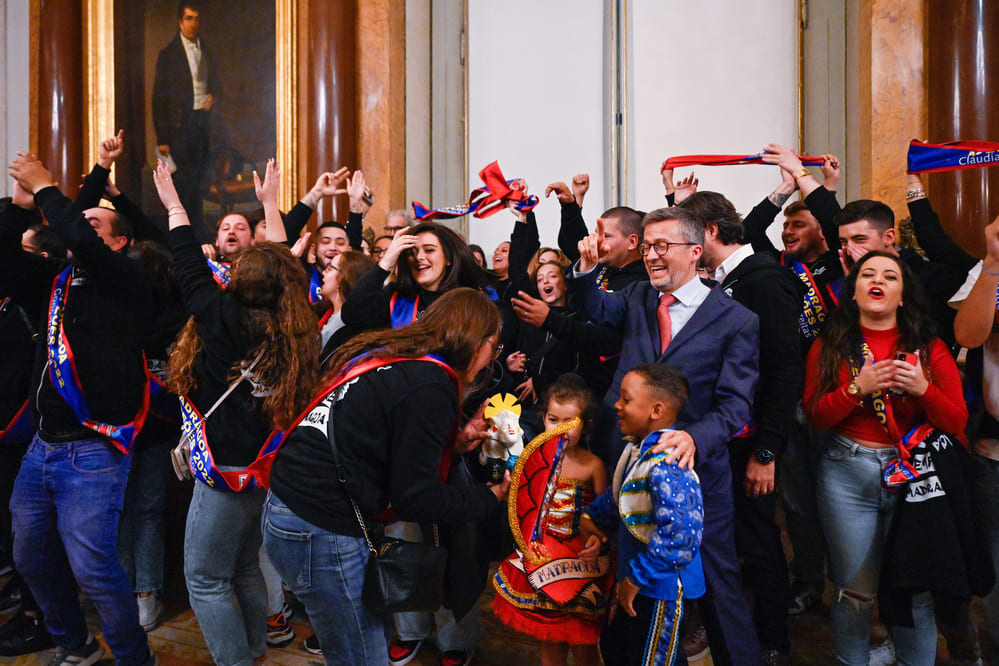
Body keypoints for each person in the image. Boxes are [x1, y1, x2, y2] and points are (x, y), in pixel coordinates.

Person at [262, 288, 511, 665]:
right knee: (361, 655)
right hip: (316, 523)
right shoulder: (433, 384)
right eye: (495, 344)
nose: (495, 355)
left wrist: (454, 443)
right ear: (477, 341)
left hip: (290, 509)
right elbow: (416, 499)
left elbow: (381, 443)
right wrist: (490, 498)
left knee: (364, 641)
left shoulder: (402, 358)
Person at [568, 206, 762, 665]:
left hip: (695, 476)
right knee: (631, 581)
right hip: (629, 466)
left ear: (695, 253)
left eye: (662, 247)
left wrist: (695, 437)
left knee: (720, 587)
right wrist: (586, 269)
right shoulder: (636, 297)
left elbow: (736, 403)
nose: (651, 256)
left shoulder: (737, 320)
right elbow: (592, 306)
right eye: (648, 246)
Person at [152, 159, 319, 666]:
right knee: (245, 565)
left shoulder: (221, 317)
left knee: (203, 578)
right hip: (263, 466)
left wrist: (176, 205)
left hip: (223, 469)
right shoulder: (294, 325)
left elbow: (185, 259)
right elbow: (285, 262)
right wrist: (269, 203)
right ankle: (251, 651)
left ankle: (234, 661)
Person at [5, 148, 155, 665]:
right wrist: (23, 209)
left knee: (94, 571)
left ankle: (136, 657)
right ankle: (76, 645)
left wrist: (50, 187)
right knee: (28, 555)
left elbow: (80, 241)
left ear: (119, 241)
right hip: (43, 447)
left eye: (95, 222)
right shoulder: (53, 283)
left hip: (93, 450)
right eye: (81, 219)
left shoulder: (128, 282)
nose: (82, 226)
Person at [804, 251, 967, 664]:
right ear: (854, 292)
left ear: (902, 295)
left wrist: (923, 389)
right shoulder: (830, 344)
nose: (878, 281)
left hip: (915, 478)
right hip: (846, 474)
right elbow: (816, 416)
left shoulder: (928, 348)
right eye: (868, 275)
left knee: (916, 592)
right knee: (854, 591)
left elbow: (956, 420)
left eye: (890, 276)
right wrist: (857, 389)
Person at [680, 191, 803, 663]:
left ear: (709, 232)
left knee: (758, 543)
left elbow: (783, 371)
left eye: (690, 236)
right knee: (729, 542)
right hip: (726, 440)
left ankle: (772, 643)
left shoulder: (764, 281)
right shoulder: (731, 279)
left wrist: (767, 451)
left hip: (753, 443)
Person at [580, 364, 705, 666]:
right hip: (637, 578)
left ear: (656, 410)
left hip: (659, 587)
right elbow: (622, 496)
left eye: (626, 399)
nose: (617, 405)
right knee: (618, 650)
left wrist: (637, 577)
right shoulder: (639, 451)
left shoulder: (667, 463)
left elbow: (681, 535)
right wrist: (589, 519)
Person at [492, 373, 609, 666]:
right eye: (553, 419)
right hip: (541, 562)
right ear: (543, 418)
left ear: (588, 424)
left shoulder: (593, 465)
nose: (560, 428)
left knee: (585, 644)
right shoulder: (530, 461)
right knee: (551, 642)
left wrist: (598, 538)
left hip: (580, 564)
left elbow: (603, 515)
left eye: (570, 422)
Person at [341, 222, 495, 330]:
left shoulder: (467, 300)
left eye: (429, 250)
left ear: (448, 259)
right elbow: (352, 316)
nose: (419, 257)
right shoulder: (397, 296)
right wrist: (385, 264)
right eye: (412, 252)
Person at [152, 1, 221, 236]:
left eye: (196, 19)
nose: (193, 24)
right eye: (189, 18)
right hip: (178, 129)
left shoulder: (207, 50)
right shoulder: (168, 55)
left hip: (201, 125)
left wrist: (213, 95)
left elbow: (216, 83)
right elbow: (158, 99)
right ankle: (184, 232)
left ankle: (199, 231)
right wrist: (162, 138)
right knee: (183, 183)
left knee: (199, 181)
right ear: (180, 21)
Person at [318, 250, 375, 367]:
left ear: (343, 277)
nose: (323, 273)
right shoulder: (325, 312)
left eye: (329, 268)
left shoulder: (344, 322)